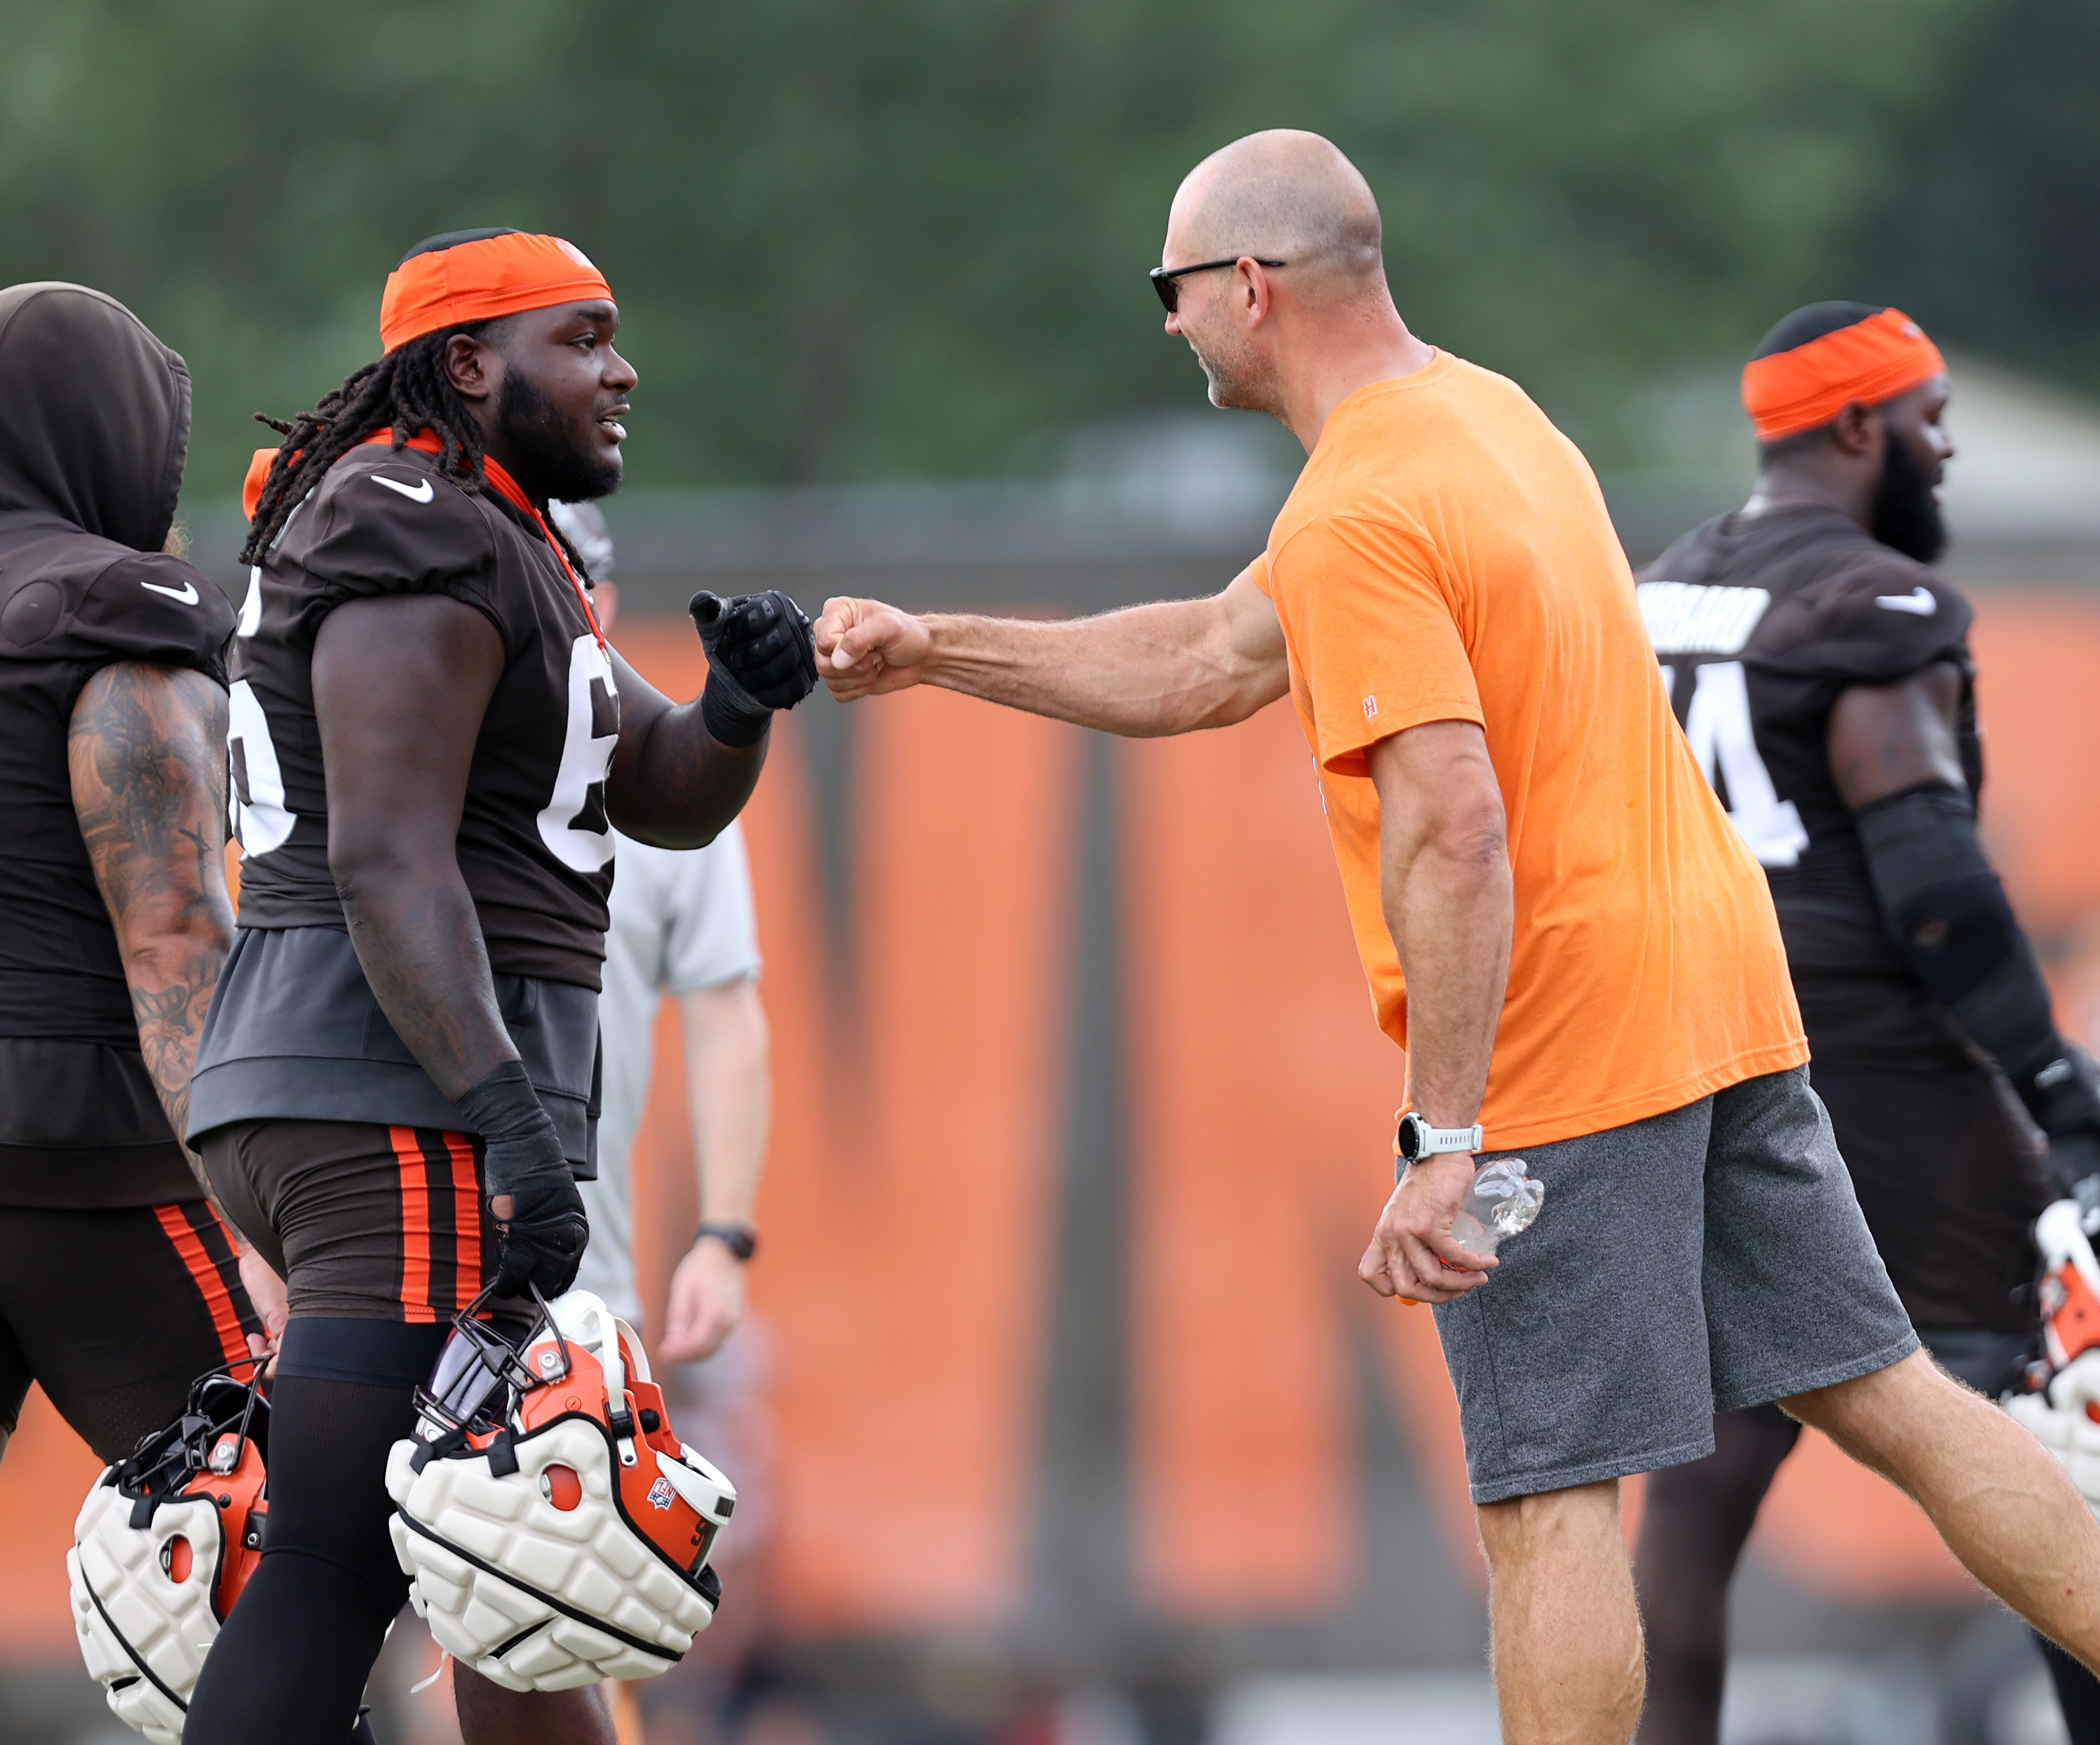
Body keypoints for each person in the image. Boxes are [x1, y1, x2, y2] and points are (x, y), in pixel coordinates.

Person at [812, 131, 2100, 1744]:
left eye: (1174, 288)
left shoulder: (1361, 506)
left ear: (1252, 289)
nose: (1168, 321)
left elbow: (1457, 825)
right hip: (1717, 991)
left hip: (1570, 1046)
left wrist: (1444, 1133)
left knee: (1546, 1502)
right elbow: (1212, 656)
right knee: (1894, 1396)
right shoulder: (1486, 416)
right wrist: (940, 649)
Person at [182, 229, 817, 1744]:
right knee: (343, 1556)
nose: (622, 370)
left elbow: (656, 788)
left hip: (381, 1090)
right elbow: (388, 864)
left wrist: (735, 705)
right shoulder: (413, 521)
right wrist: (509, 1117)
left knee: (507, 1567)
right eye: (583, 338)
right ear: (469, 366)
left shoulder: (490, 527)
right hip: (384, 1092)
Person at [1634, 303, 2100, 1745]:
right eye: (1929, 416)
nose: (1945, 448)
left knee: (1698, 1484)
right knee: (2063, 1432)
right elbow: (1936, 890)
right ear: (1856, 424)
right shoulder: (1869, 604)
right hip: (1892, 1091)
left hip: (1715, 1068)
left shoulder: (1668, 584)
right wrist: (2051, 1079)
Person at [0, 281, 276, 1471]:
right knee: (273, 1533)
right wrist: (264, 1218)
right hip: (91, 1154)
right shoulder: (113, 609)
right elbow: (174, 931)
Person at [548, 501, 770, 1363]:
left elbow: (725, 1017)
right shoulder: (395, 744)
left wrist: (724, 1234)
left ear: (603, 603)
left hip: (579, 1298)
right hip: (384, 1280)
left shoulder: (670, 776)